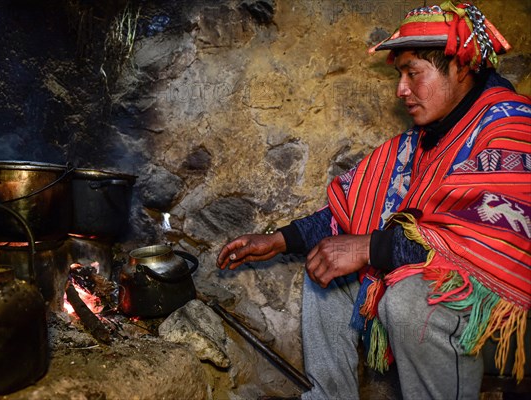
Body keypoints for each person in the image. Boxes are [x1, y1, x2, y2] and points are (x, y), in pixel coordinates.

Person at [217, 2, 531, 399]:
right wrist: (278, 240)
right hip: (455, 303)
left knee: (413, 303)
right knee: (327, 265)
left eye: (413, 73)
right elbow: (352, 210)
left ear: (461, 66)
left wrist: (370, 247)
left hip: (506, 322)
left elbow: (488, 249)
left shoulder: (511, 128)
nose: (402, 90)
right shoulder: (424, 142)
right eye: (400, 75)